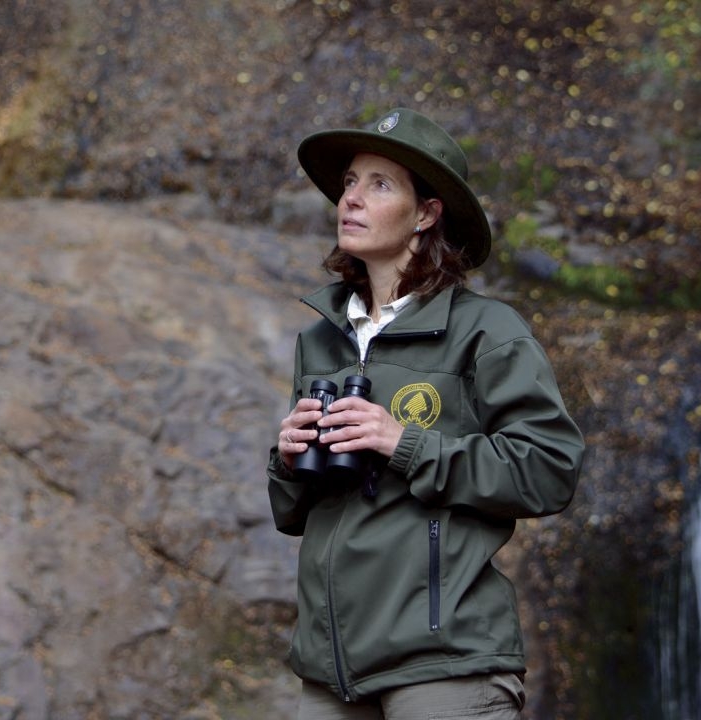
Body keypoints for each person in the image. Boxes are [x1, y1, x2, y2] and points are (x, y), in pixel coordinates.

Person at [267, 107, 585, 720]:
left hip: (444, 665)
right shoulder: (322, 340)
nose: (351, 199)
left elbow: (549, 469)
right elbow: (294, 513)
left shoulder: (487, 331)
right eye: (350, 182)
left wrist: (404, 442)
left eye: (379, 185)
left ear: (425, 214)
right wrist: (285, 458)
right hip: (329, 672)